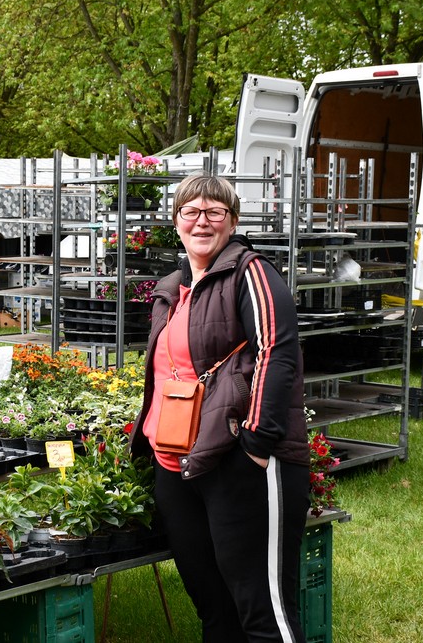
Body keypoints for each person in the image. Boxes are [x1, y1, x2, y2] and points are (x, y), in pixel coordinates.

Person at [128, 174, 309, 642]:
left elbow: (277, 351)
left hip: (237, 462)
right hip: (179, 464)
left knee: (262, 613)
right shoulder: (172, 287)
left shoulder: (252, 273)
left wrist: (257, 440)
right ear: (176, 221)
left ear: (232, 221)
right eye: (191, 211)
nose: (202, 221)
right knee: (215, 611)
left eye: (214, 212)